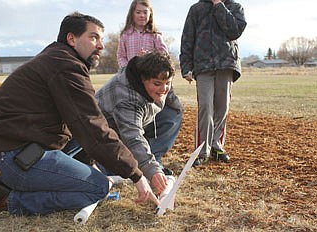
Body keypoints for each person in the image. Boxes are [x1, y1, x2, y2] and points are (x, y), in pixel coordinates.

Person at [0, 12, 159, 216]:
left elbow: (80, 128)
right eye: (93, 37)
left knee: (83, 137)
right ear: (71, 39)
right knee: (98, 188)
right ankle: (10, 200)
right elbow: (91, 126)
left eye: (101, 39)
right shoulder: (66, 66)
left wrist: (89, 164)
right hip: (9, 156)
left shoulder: (58, 58)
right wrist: (136, 175)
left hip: (10, 148)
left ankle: (13, 183)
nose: (101, 45)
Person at [117, 0, 183, 175]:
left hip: (155, 80)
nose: (142, 16)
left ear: (150, 15)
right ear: (132, 14)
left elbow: (165, 56)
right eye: (138, 12)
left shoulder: (155, 35)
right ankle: (138, 156)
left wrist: (150, 58)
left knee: (173, 112)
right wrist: (133, 63)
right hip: (134, 83)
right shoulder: (125, 35)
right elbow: (121, 58)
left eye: (145, 13)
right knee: (136, 119)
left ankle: (154, 155)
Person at [95, 51, 175, 195]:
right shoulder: (126, 98)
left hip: (127, 124)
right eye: (157, 84)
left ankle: (151, 158)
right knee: (103, 176)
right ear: (142, 78)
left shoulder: (143, 71)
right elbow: (132, 137)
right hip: (98, 138)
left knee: (174, 113)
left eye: (167, 83)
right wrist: (151, 170)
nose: (164, 89)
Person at [179, 0, 247, 166]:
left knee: (222, 107)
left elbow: (234, 31)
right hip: (203, 66)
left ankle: (217, 146)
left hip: (226, 64)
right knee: (205, 108)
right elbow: (187, 38)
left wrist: (219, 6)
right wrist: (186, 67)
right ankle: (202, 150)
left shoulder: (235, 7)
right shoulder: (196, 9)